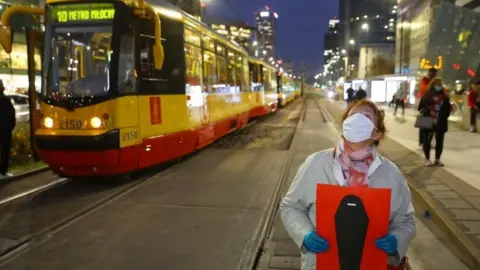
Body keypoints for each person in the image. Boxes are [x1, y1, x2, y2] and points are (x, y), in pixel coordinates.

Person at [280, 99, 416, 270]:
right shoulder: (316, 163)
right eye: (353, 116)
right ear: (344, 126)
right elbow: (290, 207)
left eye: (365, 117)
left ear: (377, 133)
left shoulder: (391, 173)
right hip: (322, 263)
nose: (357, 119)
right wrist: (305, 234)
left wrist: (397, 238)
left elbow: (406, 220)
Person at [418, 77, 451, 167]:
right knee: (426, 141)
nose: (438, 86)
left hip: (440, 121)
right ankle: (427, 159)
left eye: (440, 85)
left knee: (439, 141)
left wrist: (443, 116)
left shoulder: (445, 96)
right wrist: (428, 110)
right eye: (437, 84)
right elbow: (420, 107)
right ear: (433, 85)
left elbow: (447, 109)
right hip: (427, 119)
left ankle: (437, 159)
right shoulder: (427, 95)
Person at [417, 68, 437, 146]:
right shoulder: (425, 80)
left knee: (431, 126)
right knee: (424, 125)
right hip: (425, 104)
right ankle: (422, 142)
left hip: (433, 106)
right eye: (432, 73)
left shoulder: (435, 81)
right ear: (429, 73)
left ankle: (426, 142)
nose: (433, 75)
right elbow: (425, 90)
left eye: (434, 74)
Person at [0, 80, 16, 178]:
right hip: (5, 129)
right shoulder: (6, 100)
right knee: (5, 150)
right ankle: (3, 171)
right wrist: (10, 127)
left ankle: (3, 171)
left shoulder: (5, 100)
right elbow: (12, 115)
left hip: (5, 128)